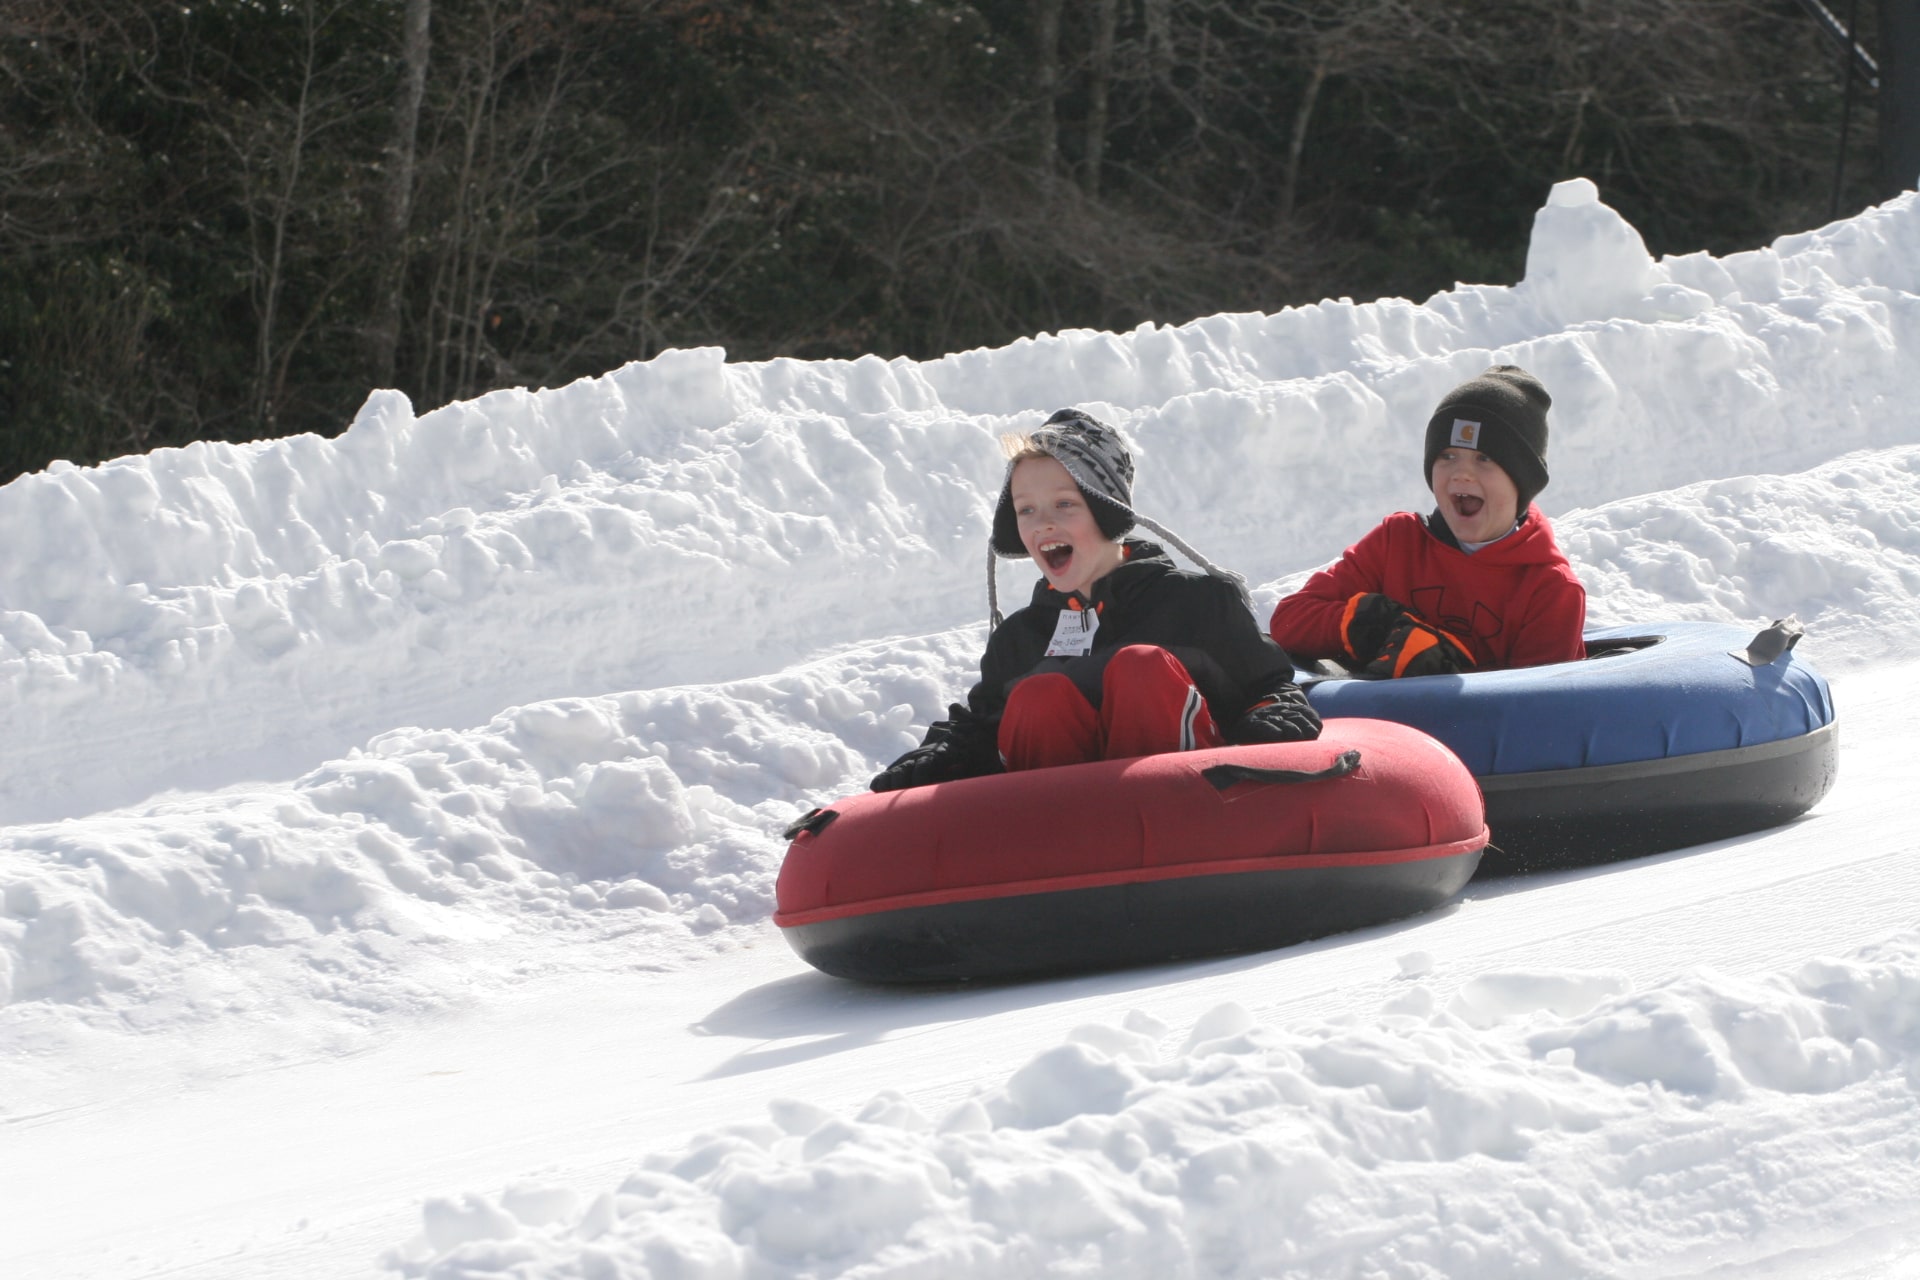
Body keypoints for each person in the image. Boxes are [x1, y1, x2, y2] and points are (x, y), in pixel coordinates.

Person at [871, 408, 1320, 791]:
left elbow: (1267, 686)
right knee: (1039, 695)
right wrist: (938, 756)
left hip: (1191, 821)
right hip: (1066, 849)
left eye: (1064, 504)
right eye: (1026, 509)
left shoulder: (1196, 603)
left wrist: (1273, 714)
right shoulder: (1019, 639)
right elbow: (979, 728)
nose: (1042, 523)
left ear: (1107, 511)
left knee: (1140, 666)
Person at [1268, 365, 1587, 677]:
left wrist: (1450, 677)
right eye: (1447, 456)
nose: (1461, 472)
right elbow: (1288, 620)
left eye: (1484, 459)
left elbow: (1537, 712)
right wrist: (1367, 624)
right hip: (1379, 725)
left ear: (1522, 480)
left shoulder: (1551, 589)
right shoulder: (1396, 543)